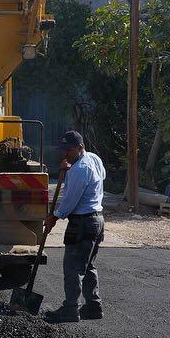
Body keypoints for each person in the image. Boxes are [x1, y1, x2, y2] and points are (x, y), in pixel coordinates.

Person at [43, 130, 107, 323]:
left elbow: (70, 201)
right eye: (64, 150)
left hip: (83, 223)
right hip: (96, 221)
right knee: (88, 266)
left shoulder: (80, 170)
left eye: (69, 150)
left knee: (73, 268)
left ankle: (71, 309)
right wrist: (69, 169)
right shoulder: (93, 159)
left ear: (80, 147)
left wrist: (55, 216)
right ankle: (94, 307)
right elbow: (101, 176)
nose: (65, 154)